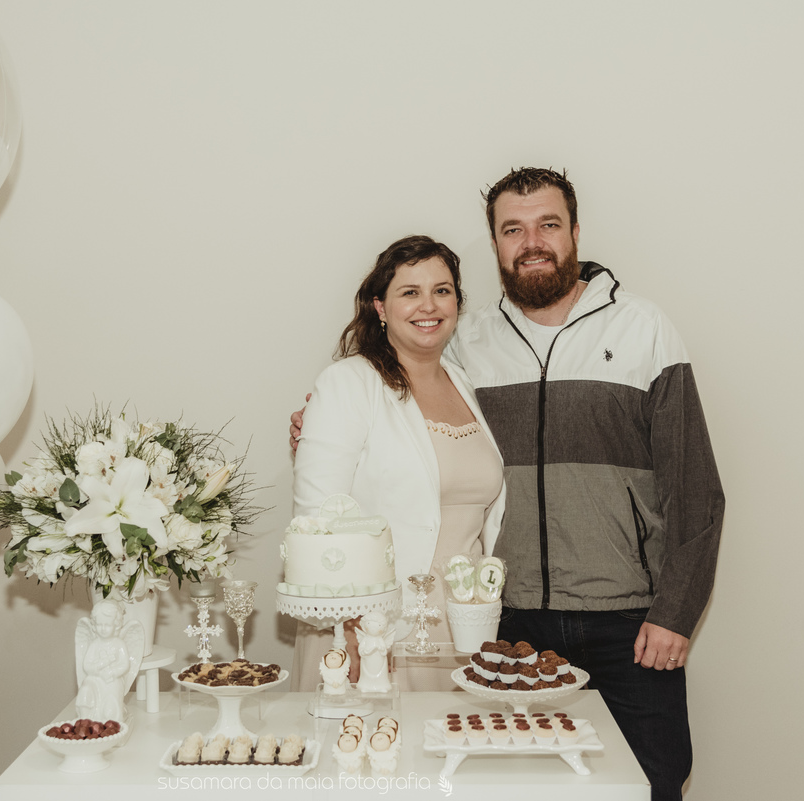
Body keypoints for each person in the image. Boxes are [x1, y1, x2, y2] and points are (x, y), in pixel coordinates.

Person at [291, 169, 723, 801]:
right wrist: (315, 428)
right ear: (495, 243)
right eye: (512, 229)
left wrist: (676, 612)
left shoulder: (643, 328)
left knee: (651, 781)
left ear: (575, 232)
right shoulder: (466, 344)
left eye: (548, 224)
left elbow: (694, 487)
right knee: (506, 784)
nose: (532, 242)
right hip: (503, 622)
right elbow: (390, 423)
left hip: (628, 620)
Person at [290, 235, 505, 692]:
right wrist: (351, 626)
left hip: (463, 627)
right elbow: (317, 519)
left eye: (442, 290)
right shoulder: (349, 383)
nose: (429, 305)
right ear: (380, 307)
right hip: (373, 627)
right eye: (410, 292)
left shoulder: (465, 383)